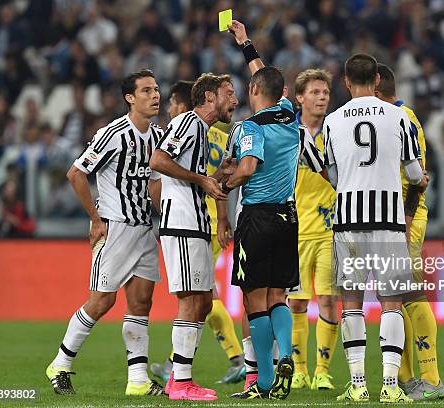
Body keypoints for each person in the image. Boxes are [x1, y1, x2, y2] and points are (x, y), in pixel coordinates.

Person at [45, 69, 164, 396]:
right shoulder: (113, 133)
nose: (155, 96)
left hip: (144, 229)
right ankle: (60, 364)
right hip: (115, 227)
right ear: (130, 98)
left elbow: (154, 183)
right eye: (146, 91)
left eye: (156, 90)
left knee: (141, 301)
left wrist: (163, 215)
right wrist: (96, 220)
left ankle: (138, 380)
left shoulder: (158, 136)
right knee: (102, 301)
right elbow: (76, 174)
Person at [323, 54, 426, 403]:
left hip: (348, 221)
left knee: (351, 303)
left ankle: (357, 384)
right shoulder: (399, 117)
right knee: (391, 303)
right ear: (378, 79)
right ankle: (391, 386)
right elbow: (414, 174)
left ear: (346, 81)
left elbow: (333, 176)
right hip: (388, 221)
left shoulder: (332, 121)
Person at [219, 20, 301, 400]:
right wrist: (246, 44)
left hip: (257, 218)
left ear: (253, 92)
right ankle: (287, 355)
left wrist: (224, 183)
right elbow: (264, 76)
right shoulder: (289, 116)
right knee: (278, 296)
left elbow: (249, 166)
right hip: (288, 217)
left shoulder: (249, 127)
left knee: (254, 301)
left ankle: (264, 383)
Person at [149, 80, 246, 385]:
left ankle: (178, 375)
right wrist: (202, 180)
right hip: (182, 222)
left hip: (196, 222)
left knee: (204, 302)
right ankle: (179, 382)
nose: (235, 99)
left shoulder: (203, 132)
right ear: (209, 96)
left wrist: (217, 175)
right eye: (228, 94)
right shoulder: (188, 122)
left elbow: (197, 180)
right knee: (192, 301)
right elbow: (158, 160)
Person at [375, 63, 444, 400]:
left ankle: (431, 378)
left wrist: (405, 217)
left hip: (406, 218)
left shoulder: (405, 118)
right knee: (393, 299)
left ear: (376, 90)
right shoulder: (388, 118)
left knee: (410, 294)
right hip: (388, 218)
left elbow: (418, 175)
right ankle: (406, 379)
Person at [288, 68, 339, 391]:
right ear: (300, 98)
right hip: (294, 228)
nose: (322, 98)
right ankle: (299, 370)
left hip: (330, 230)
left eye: (325, 93)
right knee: (296, 303)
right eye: (315, 93)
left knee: (330, 301)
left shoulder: (337, 129)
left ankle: (322, 369)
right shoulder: (288, 131)